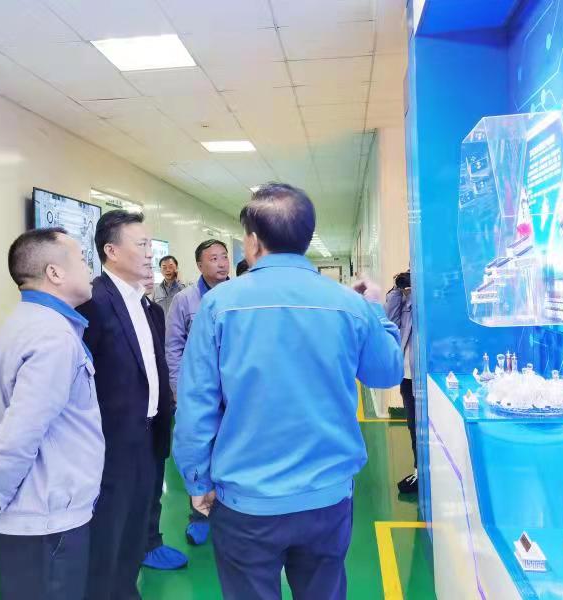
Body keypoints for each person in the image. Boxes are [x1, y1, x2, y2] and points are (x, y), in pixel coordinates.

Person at [173, 183, 404, 600]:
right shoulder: (348, 305)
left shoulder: (219, 305)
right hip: (327, 497)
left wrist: (196, 478)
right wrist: (374, 307)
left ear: (254, 242)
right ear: (305, 238)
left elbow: (196, 404)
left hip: (246, 501)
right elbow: (387, 372)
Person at [0, 227, 104, 600]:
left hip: (34, 516)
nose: (90, 267)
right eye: (82, 259)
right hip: (45, 522)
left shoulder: (26, 322)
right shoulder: (53, 337)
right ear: (54, 273)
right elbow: (20, 432)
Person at [78, 210, 173, 600]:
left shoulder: (148, 307)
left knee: (135, 533)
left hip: (147, 440)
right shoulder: (93, 302)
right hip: (109, 445)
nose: (150, 253)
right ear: (111, 251)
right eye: (142, 244)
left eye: (150, 244)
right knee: (107, 539)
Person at [165, 239, 231, 545]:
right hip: (199, 391)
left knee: (229, 449)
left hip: (232, 391)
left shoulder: (239, 295)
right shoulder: (184, 300)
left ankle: (230, 513)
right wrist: (179, 391)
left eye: (224, 256)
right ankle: (199, 515)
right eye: (213, 258)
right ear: (199, 265)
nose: (222, 263)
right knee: (198, 451)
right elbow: (173, 347)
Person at [140, 271, 189, 571]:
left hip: (157, 414)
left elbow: (164, 356)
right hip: (123, 423)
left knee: (154, 483)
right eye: (140, 251)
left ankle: (150, 542)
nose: (149, 266)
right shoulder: (99, 306)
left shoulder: (153, 311)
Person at [385, 270, 417, 494]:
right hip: (407, 377)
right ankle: (419, 471)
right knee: (413, 426)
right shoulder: (404, 298)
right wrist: (397, 289)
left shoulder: (428, 298)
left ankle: (426, 472)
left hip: (424, 377)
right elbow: (391, 322)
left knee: (427, 429)